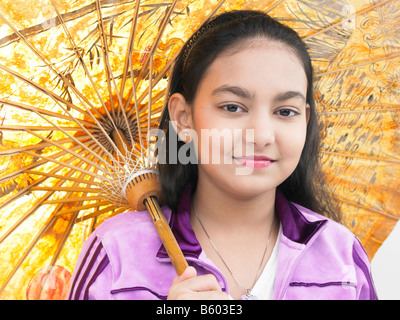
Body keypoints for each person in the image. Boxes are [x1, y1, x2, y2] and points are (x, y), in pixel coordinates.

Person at [68, 10, 377, 300]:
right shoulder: (117, 254)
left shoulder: (340, 258)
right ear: (183, 118)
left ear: (305, 121)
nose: (262, 136)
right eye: (232, 107)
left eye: (285, 111)